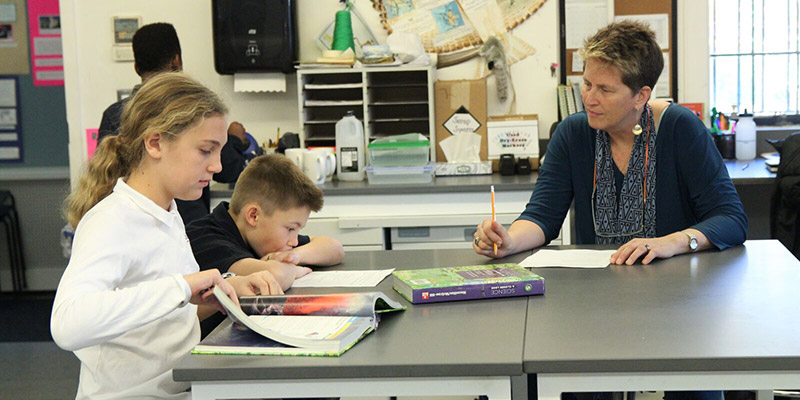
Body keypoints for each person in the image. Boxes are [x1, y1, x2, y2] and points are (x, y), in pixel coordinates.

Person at [473, 21, 747, 400]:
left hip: (679, 306)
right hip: (594, 307)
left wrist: (674, 242)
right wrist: (506, 240)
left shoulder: (680, 129)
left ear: (641, 95)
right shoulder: (572, 134)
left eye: (605, 89)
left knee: (694, 390)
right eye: (586, 84)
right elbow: (541, 217)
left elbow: (731, 220)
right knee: (581, 389)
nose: (589, 98)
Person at [51, 72, 281, 399]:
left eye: (220, 152)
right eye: (205, 150)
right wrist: (181, 286)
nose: (217, 166)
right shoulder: (111, 221)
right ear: (156, 143)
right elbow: (67, 324)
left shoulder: (167, 213)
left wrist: (225, 293)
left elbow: (159, 319)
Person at [98, 22, 248, 224]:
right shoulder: (190, 111)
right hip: (191, 221)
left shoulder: (113, 114)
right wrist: (235, 141)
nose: (216, 166)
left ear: (136, 67)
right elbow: (231, 170)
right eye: (205, 150)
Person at [186, 153, 345, 335]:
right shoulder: (207, 239)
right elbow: (273, 275)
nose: (294, 241)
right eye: (291, 229)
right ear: (254, 216)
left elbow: (334, 248)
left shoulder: (263, 237)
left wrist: (296, 256)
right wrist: (293, 269)